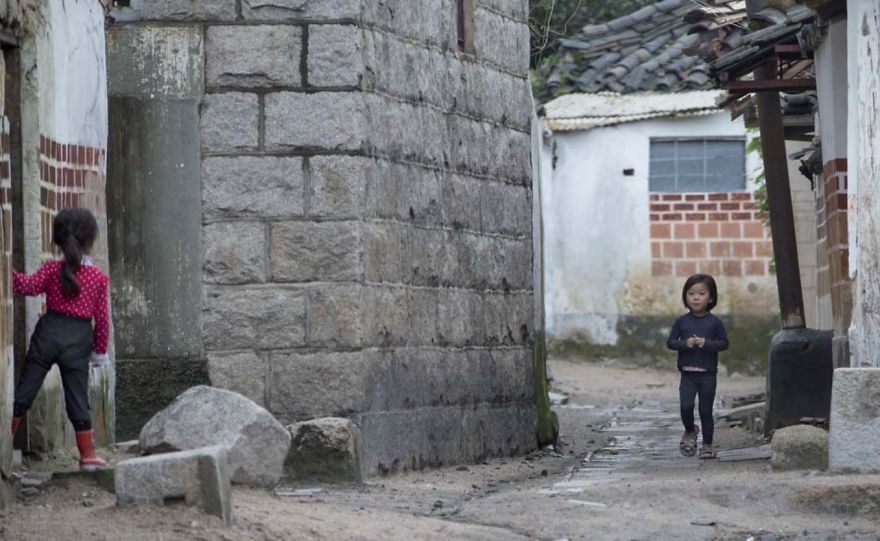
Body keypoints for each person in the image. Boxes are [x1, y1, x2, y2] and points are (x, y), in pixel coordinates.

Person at [9, 208, 110, 470]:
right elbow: (102, 320)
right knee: (77, 397)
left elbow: (25, 286)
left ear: (58, 240)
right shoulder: (98, 279)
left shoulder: (52, 270)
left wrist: (6, 269)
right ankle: (87, 455)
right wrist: (99, 353)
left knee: (25, 389)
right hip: (78, 340)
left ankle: (4, 443)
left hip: (48, 334)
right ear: (90, 239)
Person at [666, 273, 728, 459]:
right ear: (685, 296)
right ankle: (690, 430)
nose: (695, 298)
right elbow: (671, 342)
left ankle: (707, 445)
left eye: (701, 294)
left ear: (711, 298)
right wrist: (685, 343)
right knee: (686, 406)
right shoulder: (681, 321)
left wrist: (705, 343)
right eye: (691, 293)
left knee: (705, 410)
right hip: (687, 374)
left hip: (707, 374)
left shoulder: (715, 322)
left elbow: (724, 343)